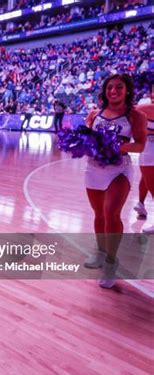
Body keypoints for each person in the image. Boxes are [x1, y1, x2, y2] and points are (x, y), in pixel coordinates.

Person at [83, 74, 147, 288]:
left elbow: (140, 145)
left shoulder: (135, 116)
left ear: (127, 90)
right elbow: (85, 138)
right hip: (94, 169)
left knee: (111, 213)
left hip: (119, 170)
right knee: (99, 214)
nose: (113, 91)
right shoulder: (95, 113)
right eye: (110, 87)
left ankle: (111, 262)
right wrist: (82, 143)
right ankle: (100, 253)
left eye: (119, 87)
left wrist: (116, 147)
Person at [135, 85, 154, 233]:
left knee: (150, 181)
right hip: (148, 149)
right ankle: (141, 204)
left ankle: (141, 204)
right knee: (147, 179)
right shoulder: (144, 107)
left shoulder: (143, 107)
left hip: (149, 149)